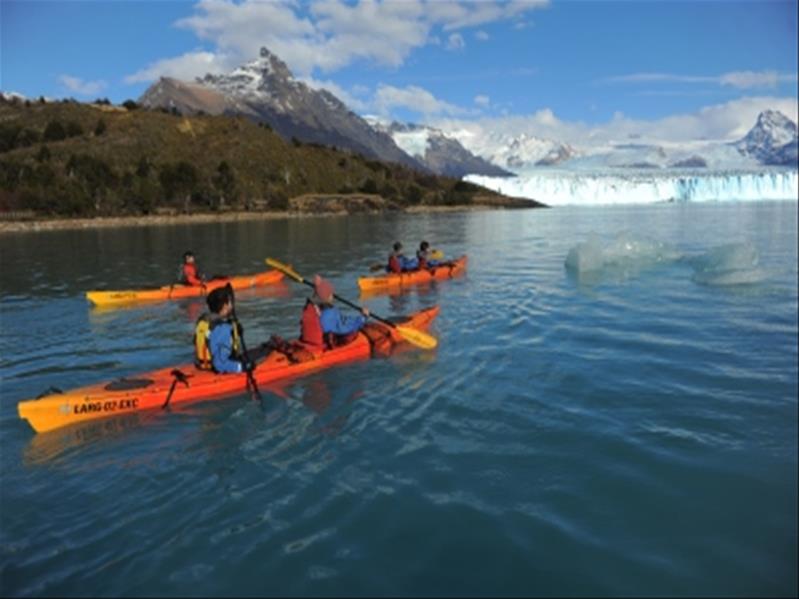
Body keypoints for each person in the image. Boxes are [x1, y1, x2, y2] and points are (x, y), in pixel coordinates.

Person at [300, 275, 370, 351]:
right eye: (331, 294)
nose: (332, 296)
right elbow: (344, 328)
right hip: (327, 342)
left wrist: (319, 285)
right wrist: (363, 318)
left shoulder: (312, 308)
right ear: (329, 297)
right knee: (351, 333)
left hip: (311, 341)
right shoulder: (329, 313)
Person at [194, 286, 250, 373]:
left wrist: (235, 332)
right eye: (230, 302)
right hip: (220, 367)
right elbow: (220, 364)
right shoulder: (223, 329)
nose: (232, 304)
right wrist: (242, 367)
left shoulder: (205, 322)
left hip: (205, 365)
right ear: (225, 306)